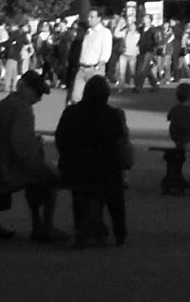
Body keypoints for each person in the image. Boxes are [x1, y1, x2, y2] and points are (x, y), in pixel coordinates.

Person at [0, 70, 63, 242]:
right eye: (37, 93)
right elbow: (22, 149)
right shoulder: (23, 110)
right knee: (48, 180)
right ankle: (43, 227)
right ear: (24, 88)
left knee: (37, 175)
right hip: (7, 168)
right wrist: (42, 164)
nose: (38, 99)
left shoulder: (3, 104)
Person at [55, 76, 133, 248]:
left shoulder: (71, 113)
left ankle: (82, 229)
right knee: (115, 195)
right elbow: (120, 142)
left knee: (80, 194)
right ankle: (120, 232)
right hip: (106, 170)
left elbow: (60, 139)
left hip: (75, 168)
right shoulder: (112, 115)